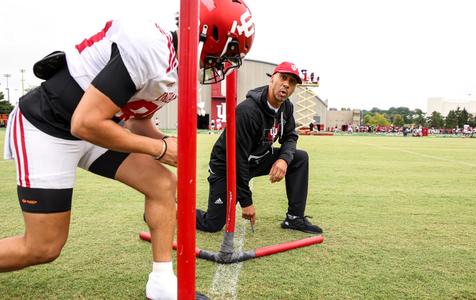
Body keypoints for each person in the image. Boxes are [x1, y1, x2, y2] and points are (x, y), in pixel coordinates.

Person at [0, 0, 255, 299]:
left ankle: (161, 285)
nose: (223, 64)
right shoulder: (152, 47)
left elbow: (136, 123)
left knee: (162, 183)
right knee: (43, 247)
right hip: (48, 125)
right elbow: (85, 123)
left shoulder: (174, 67)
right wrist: (160, 149)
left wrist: (169, 145)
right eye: (227, 54)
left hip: (91, 126)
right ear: (209, 36)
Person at [196, 61, 322, 234]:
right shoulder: (247, 111)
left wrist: (284, 160)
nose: (286, 84)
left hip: (256, 159)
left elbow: (290, 135)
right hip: (227, 166)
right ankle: (175, 209)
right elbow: (237, 159)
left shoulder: (286, 107)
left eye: (292, 82)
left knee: (299, 158)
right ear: (272, 79)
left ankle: (294, 218)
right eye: (283, 78)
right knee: (212, 224)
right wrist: (246, 202)